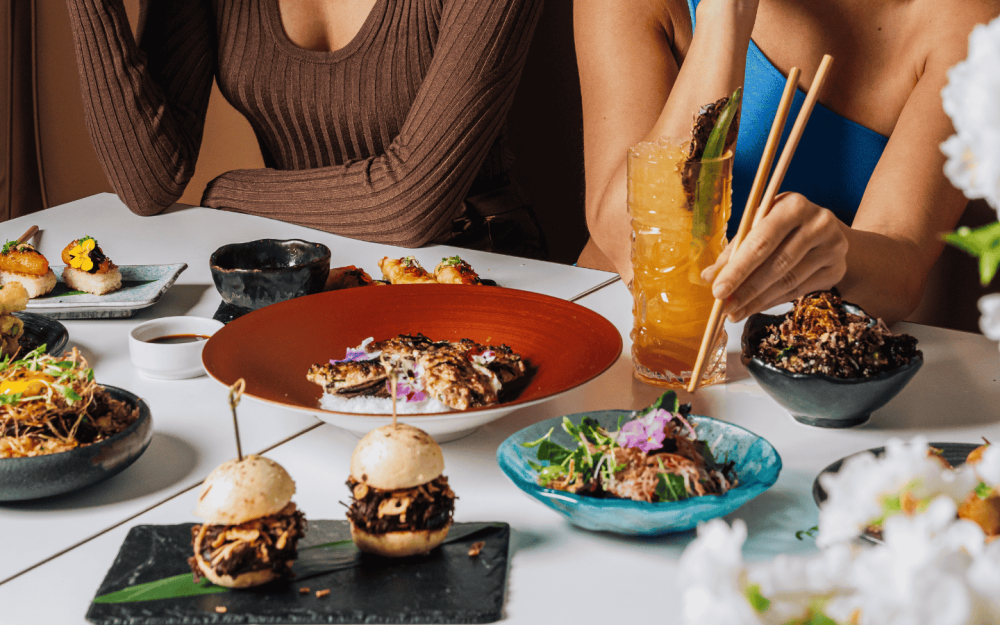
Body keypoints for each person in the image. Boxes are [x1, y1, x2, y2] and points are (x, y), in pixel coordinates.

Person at [575, 0, 998, 324]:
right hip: (613, 338)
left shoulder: (969, 23)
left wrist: (840, 253)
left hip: (802, 371)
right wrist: (726, 20)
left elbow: (901, 269)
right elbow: (626, 238)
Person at [65, 0, 547, 259]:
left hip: (471, 258)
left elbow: (409, 206)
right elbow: (146, 183)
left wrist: (226, 193)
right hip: (301, 265)